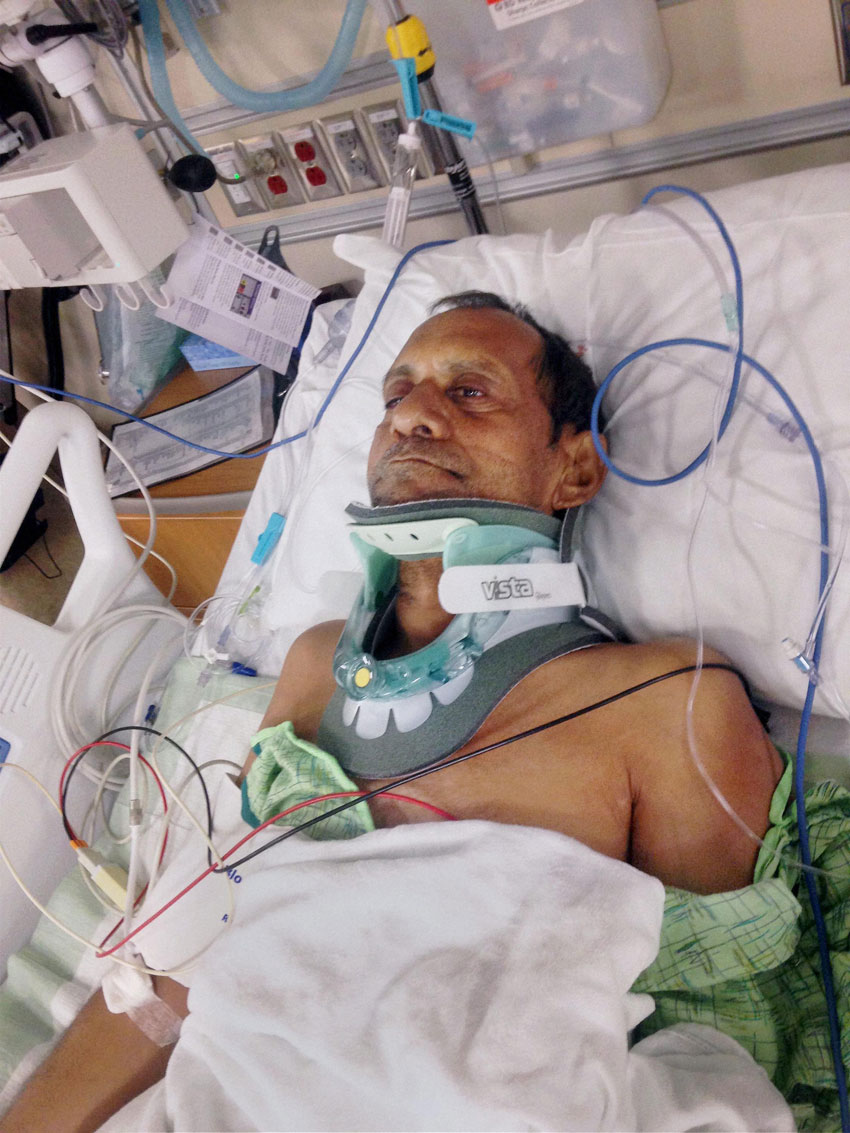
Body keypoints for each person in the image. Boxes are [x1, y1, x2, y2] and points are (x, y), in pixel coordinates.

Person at [1, 292, 785, 1133]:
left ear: (575, 469)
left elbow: (722, 1028)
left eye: (471, 392)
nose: (412, 414)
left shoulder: (667, 700)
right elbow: (196, 952)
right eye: (395, 394)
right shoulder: (313, 663)